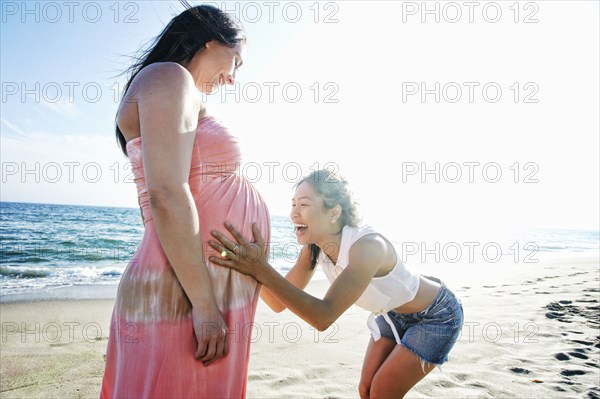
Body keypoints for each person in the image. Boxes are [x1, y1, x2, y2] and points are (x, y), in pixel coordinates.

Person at [100, 4, 270, 398]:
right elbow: (166, 192)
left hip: (199, 288)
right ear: (210, 40)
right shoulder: (169, 76)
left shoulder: (179, 88)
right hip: (183, 290)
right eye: (236, 61)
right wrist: (207, 306)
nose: (232, 78)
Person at [209, 169, 464, 399]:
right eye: (293, 204)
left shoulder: (368, 247)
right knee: (366, 390)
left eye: (304, 205)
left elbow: (324, 317)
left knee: (383, 391)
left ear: (334, 213)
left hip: (436, 316)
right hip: (391, 313)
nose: (293, 213)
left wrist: (260, 268)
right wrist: (249, 266)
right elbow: (276, 303)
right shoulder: (314, 249)